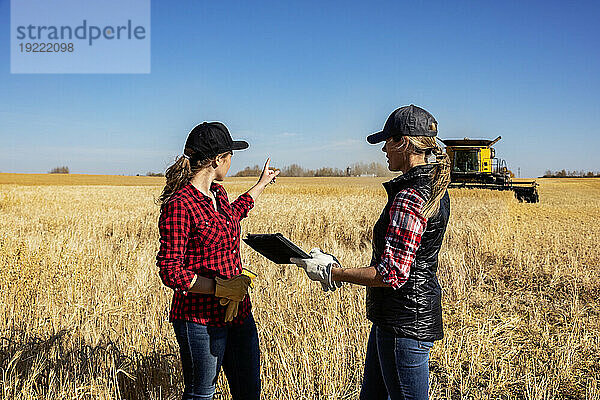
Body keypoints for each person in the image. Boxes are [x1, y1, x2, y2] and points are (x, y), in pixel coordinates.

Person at [291, 105, 451, 400]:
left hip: (404, 326)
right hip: (398, 320)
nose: (384, 151)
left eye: (387, 143)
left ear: (403, 143)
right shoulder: (433, 187)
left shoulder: (410, 196)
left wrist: (331, 272)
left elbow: (391, 274)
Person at [156, 121, 279, 400]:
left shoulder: (218, 194)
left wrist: (261, 185)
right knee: (202, 394)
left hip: (238, 311)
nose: (232, 161)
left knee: (248, 390)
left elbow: (234, 215)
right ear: (217, 159)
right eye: (230, 155)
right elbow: (170, 271)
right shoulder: (180, 204)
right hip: (199, 318)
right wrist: (219, 288)